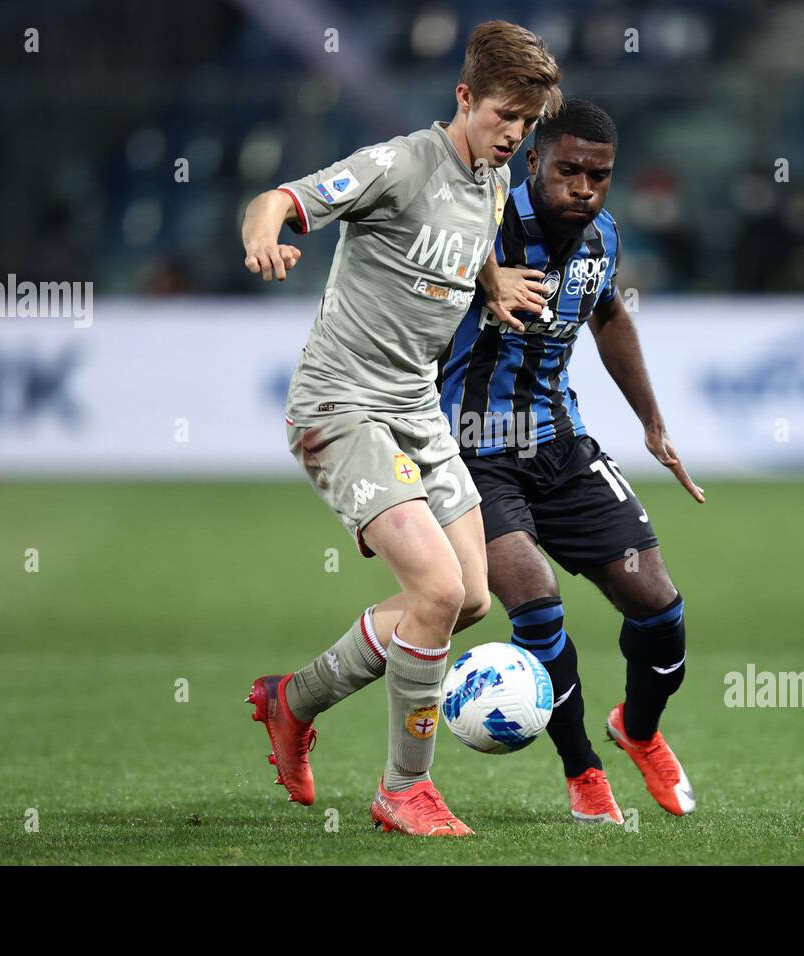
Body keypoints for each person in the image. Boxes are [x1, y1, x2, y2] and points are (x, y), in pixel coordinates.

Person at [238, 20, 562, 837]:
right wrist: (265, 238)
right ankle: (402, 791)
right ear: (463, 99)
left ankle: (293, 700)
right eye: (503, 119)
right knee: (437, 592)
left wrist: (491, 287)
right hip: (342, 406)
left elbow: (471, 233)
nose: (515, 137)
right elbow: (277, 199)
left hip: (416, 411)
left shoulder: (489, 176)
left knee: (473, 600)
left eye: (526, 124)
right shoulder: (398, 163)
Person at [438, 99, 704, 823]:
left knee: (660, 606)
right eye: (569, 170)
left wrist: (653, 423)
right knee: (536, 598)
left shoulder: (602, 238)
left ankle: (638, 731)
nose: (584, 187)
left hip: (561, 445)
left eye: (600, 175)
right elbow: (413, 323)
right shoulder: (479, 227)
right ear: (534, 163)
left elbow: (608, 313)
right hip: (475, 455)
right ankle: (583, 771)